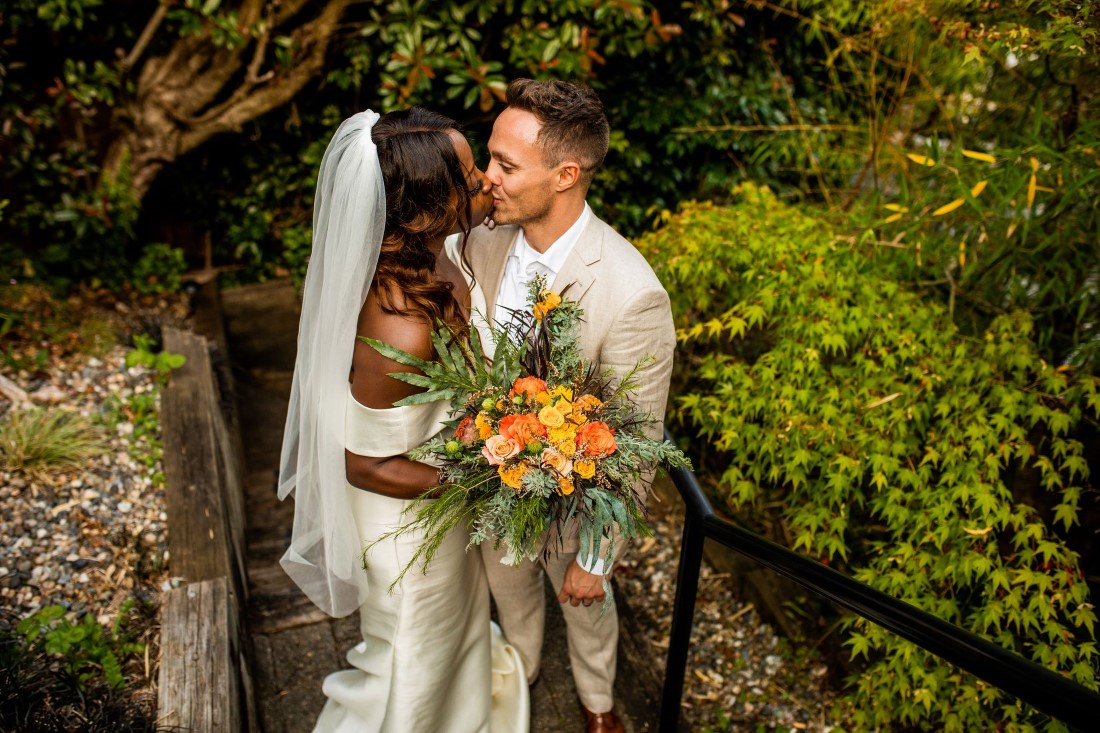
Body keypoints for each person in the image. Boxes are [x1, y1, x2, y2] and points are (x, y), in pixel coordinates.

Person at [276, 107, 529, 732]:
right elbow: (361, 461)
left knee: (450, 643)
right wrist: (482, 480)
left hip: (435, 506)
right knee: (411, 659)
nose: (486, 184)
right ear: (420, 211)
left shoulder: (435, 256)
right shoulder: (402, 328)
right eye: (469, 179)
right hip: (408, 527)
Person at [469, 79, 676, 733]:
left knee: (585, 606)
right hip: (489, 476)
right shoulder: (482, 240)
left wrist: (597, 554)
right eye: (490, 156)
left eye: (505, 164)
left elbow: (637, 438)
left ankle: (597, 702)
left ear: (565, 174)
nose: (486, 176)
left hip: (573, 499)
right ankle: (521, 676)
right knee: (508, 587)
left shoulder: (632, 292)